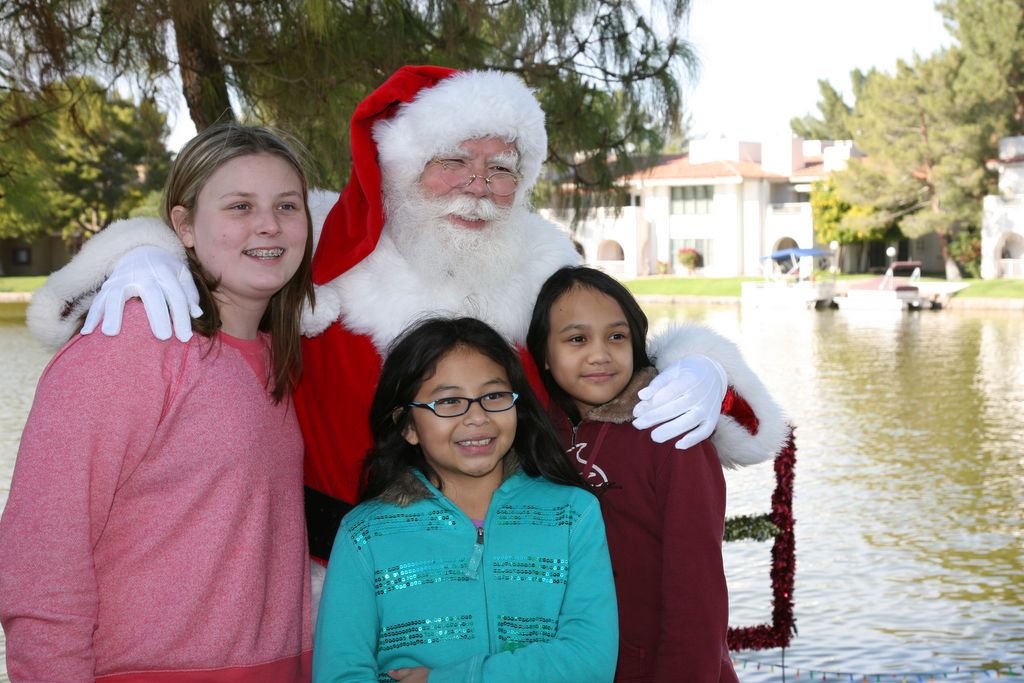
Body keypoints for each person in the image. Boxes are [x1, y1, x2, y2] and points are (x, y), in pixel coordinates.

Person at [27, 67, 788, 575]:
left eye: (501, 168)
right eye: (455, 161)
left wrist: (705, 370)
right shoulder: (324, 238)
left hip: (506, 594)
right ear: (401, 164)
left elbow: (621, 358)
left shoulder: (543, 264)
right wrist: (143, 256)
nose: (479, 188)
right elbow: (228, 240)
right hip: (330, 589)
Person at [0, 123, 315, 682]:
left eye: (287, 205)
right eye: (239, 206)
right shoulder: (131, 343)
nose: (269, 225)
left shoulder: (282, 359)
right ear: (184, 226)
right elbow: (42, 561)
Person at [313, 317, 618, 682]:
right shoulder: (365, 533)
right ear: (408, 426)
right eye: (448, 401)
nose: (476, 417)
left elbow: (590, 660)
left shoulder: (573, 514)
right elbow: (340, 673)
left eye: (493, 396)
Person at [526, 266, 740, 682]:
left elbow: (696, 594)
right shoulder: (534, 437)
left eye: (616, 336)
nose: (600, 354)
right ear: (545, 357)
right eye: (576, 339)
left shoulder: (672, 435)